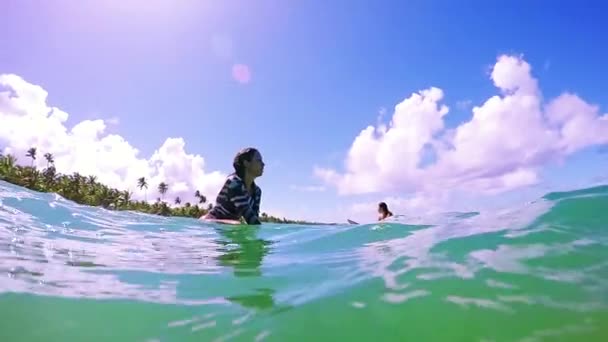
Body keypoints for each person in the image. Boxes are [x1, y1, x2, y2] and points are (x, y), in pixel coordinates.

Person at [202, 147, 265, 225]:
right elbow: (248, 215)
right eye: (259, 160)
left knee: (237, 224)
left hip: (228, 227)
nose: (263, 164)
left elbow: (254, 218)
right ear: (246, 163)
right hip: (210, 223)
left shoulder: (257, 191)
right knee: (237, 224)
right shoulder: (233, 183)